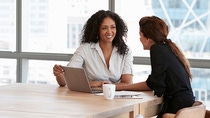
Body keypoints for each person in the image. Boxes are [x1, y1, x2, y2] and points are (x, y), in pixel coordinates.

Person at [116, 16, 195, 118]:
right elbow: (154, 82)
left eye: (140, 35)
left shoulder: (157, 49)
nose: (140, 38)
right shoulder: (168, 47)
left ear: (148, 38)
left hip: (177, 107)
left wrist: (120, 87)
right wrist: (121, 87)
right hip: (185, 105)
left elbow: (155, 84)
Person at [53, 10, 133, 89]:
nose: (109, 32)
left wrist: (106, 85)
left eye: (113, 27)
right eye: (104, 28)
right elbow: (66, 81)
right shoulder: (85, 49)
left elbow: (127, 83)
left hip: (117, 98)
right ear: (97, 30)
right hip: (90, 98)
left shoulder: (126, 51)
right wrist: (59, 74)